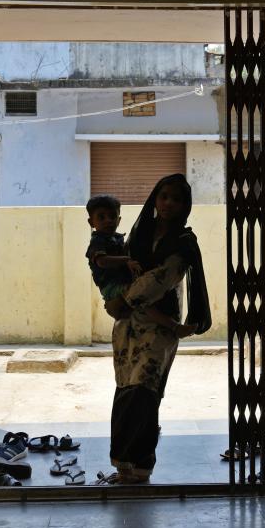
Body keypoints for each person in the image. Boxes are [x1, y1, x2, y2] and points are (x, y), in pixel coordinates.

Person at [97, 174, 211, 484]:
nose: (169, 203)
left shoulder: (183, 242)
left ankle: (141, 466)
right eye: (164, 196)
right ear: (155, 199)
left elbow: (162, 278)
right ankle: (122, 464)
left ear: (185, 205)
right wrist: (117, 300)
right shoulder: (139, 231)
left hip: (159, 328)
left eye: (177, 198)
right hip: (128, 326)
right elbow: (118, 270)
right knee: (124, 391)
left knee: (145, 394)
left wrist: (122, 300)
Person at [85, 194, 195, 337]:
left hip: (121, 283)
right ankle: (175, 327)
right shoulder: (98, 242)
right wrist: (125, 260)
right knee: (142, 300)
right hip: (112, 286)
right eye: (101, 217)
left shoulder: (116, 238)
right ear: (91, 222)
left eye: (112, 217)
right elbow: (102, 261)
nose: (108, 221)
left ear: (119, 220)